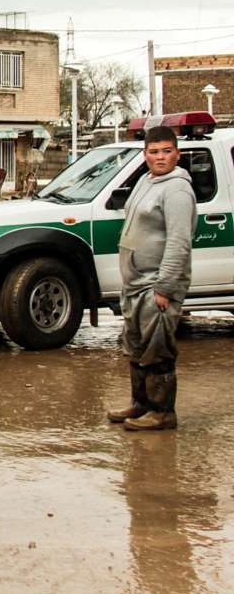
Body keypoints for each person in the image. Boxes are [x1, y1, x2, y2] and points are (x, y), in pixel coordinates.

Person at [107, 126, 196, 432]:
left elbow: (179, 241)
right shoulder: (147, 181)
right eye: (154, 152)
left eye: (166, 151)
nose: (160, 157)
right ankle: (141, 403)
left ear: (177, 153)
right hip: (135, 283)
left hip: (155, 285)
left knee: (157, 349)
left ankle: (162, 412)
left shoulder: (178, 190)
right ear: (145, 155)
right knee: (137, 346)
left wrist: (166, 286)